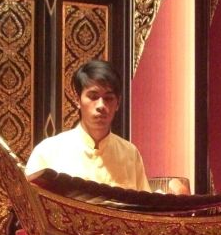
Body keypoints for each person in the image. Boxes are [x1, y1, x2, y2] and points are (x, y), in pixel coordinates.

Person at [25, 60, 150, 191]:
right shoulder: (48, 151)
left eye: (108, 98)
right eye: (93, 97)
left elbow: (143, 203)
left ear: (118, 103)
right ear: (78, 100)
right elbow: (30, 200)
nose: (101, 105)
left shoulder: (130, 154)